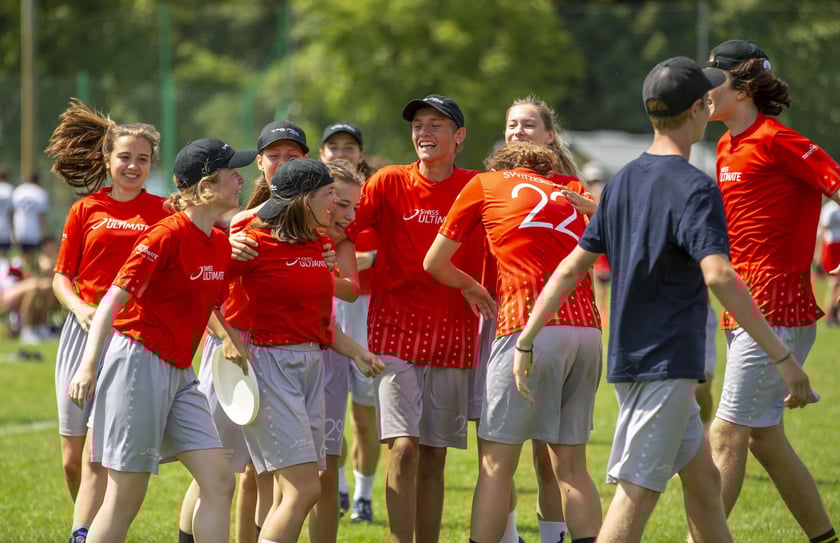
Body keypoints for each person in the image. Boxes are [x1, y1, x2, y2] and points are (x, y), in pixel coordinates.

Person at [512, 56, 809, 543]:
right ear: (697, 109)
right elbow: (718, 275)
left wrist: (525, 340)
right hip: (666, 365)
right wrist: (782, 357)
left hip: (633, 361)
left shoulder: (622, 182)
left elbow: (571, 268)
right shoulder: (696, 187)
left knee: (705, 485)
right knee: (637, 493)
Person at [67, 137, 257, 542]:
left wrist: (229, 340)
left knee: (220, 480)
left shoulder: (219, 243)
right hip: (136, 364)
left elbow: (207, 304)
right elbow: (112, 302)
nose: (241, 179)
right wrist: (87, 365)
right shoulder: (164, 235)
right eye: (231, 173)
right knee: (125, 496)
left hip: (179, 371)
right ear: (206, 186)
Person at [424, 140, 603, 543]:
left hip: (527, 327)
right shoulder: (570, 189)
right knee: (572, 466)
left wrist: (470, 286)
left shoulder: (486, 183)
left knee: (495, 464)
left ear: (500, 162)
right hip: (588, 332)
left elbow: (433, 262)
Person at [705, 39, 840, 543]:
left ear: (741, 88)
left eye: (710, 80)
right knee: (764, 439)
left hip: (778, 303)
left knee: (726, 432)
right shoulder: (723, 145)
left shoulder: (780, 139)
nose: (702, 91)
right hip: (741, 302)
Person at [342, 94, 486, 543]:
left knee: (435, 456)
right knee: (403, 448)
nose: (424, 132)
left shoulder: (478, 187)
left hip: (453, 333)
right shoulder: (387, 181)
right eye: (418, 124)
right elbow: (343, 226)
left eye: (436, 125)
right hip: (395, 333)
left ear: (459, 136)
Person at [226, 158, 383, 543]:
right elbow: (206, 294)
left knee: (299, 487)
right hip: (270, 365)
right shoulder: (253, 243)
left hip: (310, 363)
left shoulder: (319, 244)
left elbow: (320, 325)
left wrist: (357, 353)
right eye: (330, 196)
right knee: (304, 489)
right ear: (303, 199)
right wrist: (228, 341)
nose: (336, 206)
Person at [44, 99, 172, 543]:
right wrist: (79, 307)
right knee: (71, 456)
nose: (133, 166)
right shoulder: (85, 210)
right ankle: (89, 523)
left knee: (100, 451)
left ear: (152, 163)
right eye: (124, 157)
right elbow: (61, 277)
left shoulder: (163, 211)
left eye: (142, 159)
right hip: (81, 333)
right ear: (107, 159)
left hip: (130, 342)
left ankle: (88, 533)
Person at [178, 118, 310, 543]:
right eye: (275, 156)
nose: (284, 163)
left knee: (264, 468)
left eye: (293, 156)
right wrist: (226, 337)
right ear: (260, 163)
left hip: (279, 354)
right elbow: (203, 287)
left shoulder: (314, 219)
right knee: (215, 463)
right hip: (233, 349)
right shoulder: (234, 216)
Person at [502, 95, 598, 543]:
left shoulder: (575, 191)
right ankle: (504, 535)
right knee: (498, 450)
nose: (518, 132)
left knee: (552, 456)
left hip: (562, 329)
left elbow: (617, 244)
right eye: (512, 125)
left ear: (549, 135)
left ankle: (553, 535)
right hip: (506, 320)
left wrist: (593, 210)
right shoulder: (490, 184)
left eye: (528, 125)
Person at [319, 121, 381, 523]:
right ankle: (337, 486)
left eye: (350, 146)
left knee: (364, 413)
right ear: (321, 154)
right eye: (333, 146)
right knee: (327, 411)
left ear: (361, 154)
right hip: (324, 312)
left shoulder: (372, 200)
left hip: (368, 311)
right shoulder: (310, 201)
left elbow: (375, 257)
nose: (341, 152)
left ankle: (363, 494)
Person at [309, 159, 368, 543]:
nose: (348, 215)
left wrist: (321, 271)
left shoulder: (343, 242)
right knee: (264, 475)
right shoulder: (284, 234)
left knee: (325, 473)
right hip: (277, 354)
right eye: (341, 204)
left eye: (355, 208)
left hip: (329, 358)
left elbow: (351, 288)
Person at [12, 172, 49, 276]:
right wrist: (43, 231)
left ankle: (18, 274)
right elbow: (41, 215)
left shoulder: (18, 190)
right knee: (33, 256)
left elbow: (13, 211)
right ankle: (31, 275)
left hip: (20, 227)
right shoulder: (40, 192)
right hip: (34, 229)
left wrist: (13, 230)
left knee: (22, 254)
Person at [817, 199, 840, 326]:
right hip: (832, 248)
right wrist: (819, 256)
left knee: (837, 284)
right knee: (834, 284)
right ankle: (831, 314)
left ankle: (835, 312)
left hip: (839, 246)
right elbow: (823, 232)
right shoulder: (830, 209)